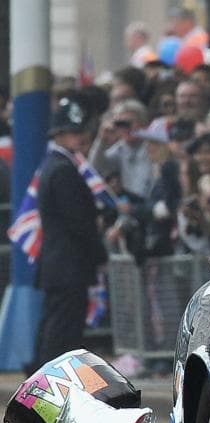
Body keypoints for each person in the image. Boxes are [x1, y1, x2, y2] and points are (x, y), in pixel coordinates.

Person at [32, 98, 108, 371]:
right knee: (63, 333)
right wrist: (98, 253)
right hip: (68, 264)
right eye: (73, 132)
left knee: (56, 327)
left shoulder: (54, 166)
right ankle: (53, 383)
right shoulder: (63, 170)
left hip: (60, 265)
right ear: (59, 134)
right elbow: (79, 222)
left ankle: (44, 380)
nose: (80, 137)